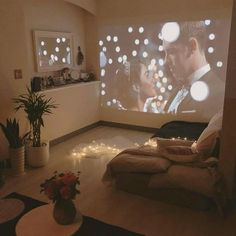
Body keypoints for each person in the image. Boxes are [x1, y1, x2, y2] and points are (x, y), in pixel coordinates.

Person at [162, 21, 225, 119]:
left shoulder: (219, 93)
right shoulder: (176, 91)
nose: (165, 61)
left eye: (171, 51)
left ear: (192, 46)